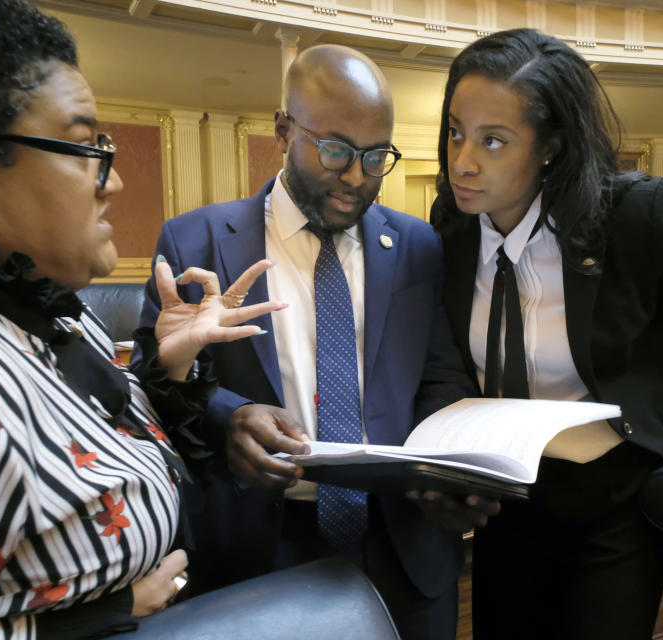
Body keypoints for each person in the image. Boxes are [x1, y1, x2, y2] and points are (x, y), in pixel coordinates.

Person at [0, 2, 278, 638]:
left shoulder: (21, 300)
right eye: (84, 146)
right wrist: (99, 616)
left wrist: (169, 370)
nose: (114, 180)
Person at [136, 44, 497, 639]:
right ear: (284, 131)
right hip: (257, 550)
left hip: (401, 547)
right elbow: (155, 383)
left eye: (376, 156)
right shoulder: (195, 241)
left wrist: (441, 468)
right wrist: (231, 419)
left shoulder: (418, 247)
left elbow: (440, 378)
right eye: (334, 151)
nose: (356, 177)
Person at [430, 29, 663, 639]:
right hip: (510, 497)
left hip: (617, 495)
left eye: (493, 141)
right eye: (456, 131)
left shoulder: (636, 213)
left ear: (551, 145)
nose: (463, 161)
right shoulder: (452, 227)